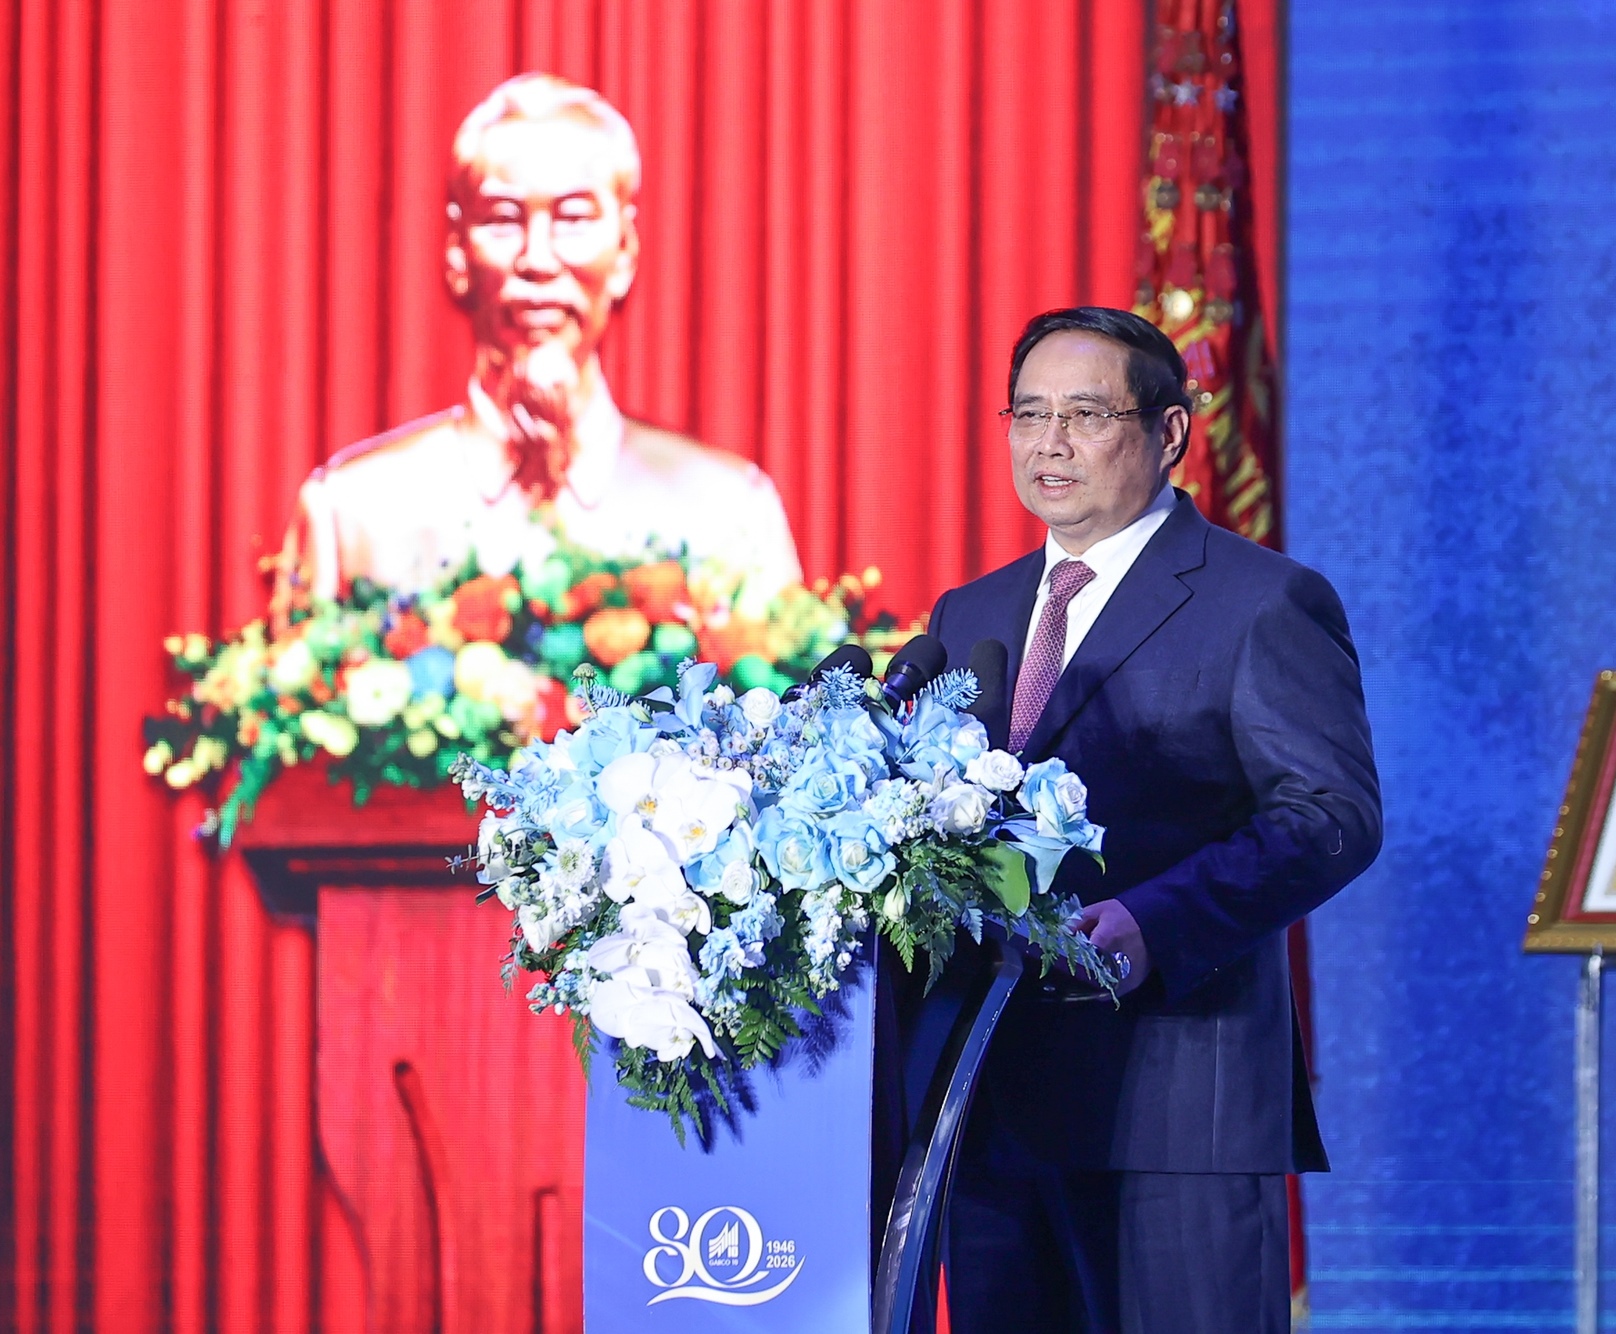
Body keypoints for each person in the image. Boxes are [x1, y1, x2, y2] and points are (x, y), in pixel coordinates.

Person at [929, 307, 1382, 1332]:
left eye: (1085, 415)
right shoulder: (969, 614)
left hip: (1176, 1108)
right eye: (1029, 414)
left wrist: (1153, 922)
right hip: (991, 1109)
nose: (1049, 443)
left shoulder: (1260, 600)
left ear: (1169, 431)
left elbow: (1331, 815)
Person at [269, 73, 801, 624]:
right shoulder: (352, 516)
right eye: (503, 220)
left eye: (573, 219)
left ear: (624, 250)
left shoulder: (729, 513)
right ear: (457, 252)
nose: (538, 260)